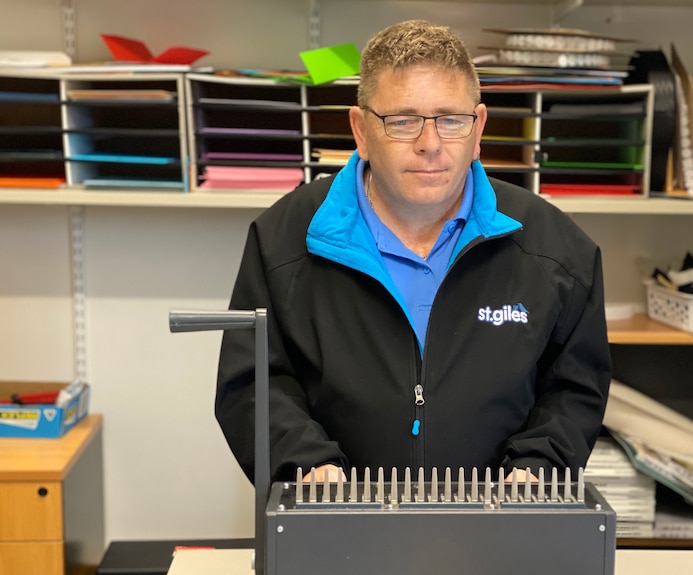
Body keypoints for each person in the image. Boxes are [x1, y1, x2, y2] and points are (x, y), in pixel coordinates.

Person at [215, 19, 611, 485]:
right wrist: (305, 465)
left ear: (478, 127)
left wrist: (538, 468)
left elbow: (575, 388)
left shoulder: (555, 250)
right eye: (402, 121)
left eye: (451, 120)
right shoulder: (284, 240)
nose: (430, 144)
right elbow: (253, 383)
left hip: (498, 531)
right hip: (336, 531)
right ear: (361, 130)